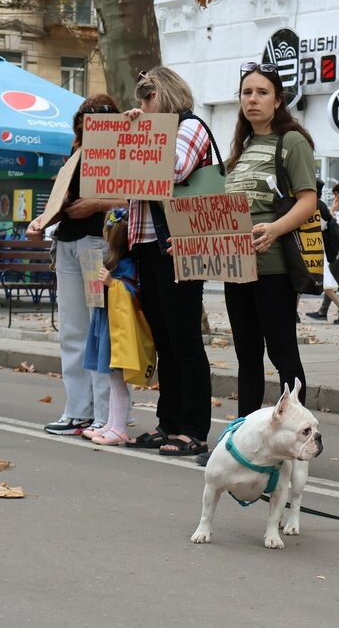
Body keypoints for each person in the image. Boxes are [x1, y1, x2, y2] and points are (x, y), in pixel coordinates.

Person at [122, 66, 213, 457]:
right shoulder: (154, 129)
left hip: (178, 245)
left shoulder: (190, 127)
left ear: (163, 95)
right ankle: (169, 423)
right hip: (148, 245)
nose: (142, 106)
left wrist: (142, 134)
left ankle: (194, 429)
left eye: (147, 98)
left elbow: (174, 169)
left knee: (184, 340)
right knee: (165, 341)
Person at [223, 61, 315, 420]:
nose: (252, 99)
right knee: (247, 356)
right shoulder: (241, 149)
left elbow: (308, 201)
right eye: (247, 92)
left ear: (278, 101)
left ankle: (299, 431)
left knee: (282, 353)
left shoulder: (291, 141)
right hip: (236, 268)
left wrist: (275, 229)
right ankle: (245, 435)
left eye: (262, 92)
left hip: (273, 267)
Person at [27, 94, 125, 435]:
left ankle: (105, 412)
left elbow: (137, 196)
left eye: (95, 121)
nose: (89, 128)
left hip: (96, 244)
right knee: (73, 329)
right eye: (84, 122)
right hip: (69, 242)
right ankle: (78, 409)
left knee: (98, 329)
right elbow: (63, 201)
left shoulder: (119, 152)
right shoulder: (77, 153)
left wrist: (97, 204)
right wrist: (42, 220)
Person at [82, 208, 145, 445]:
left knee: (118, 380)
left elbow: (130, 292)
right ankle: (111, 423)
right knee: (112, 378)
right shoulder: (114, 261)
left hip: (118, 328)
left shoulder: (126, 264)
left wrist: (111, 283)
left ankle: (119, 427)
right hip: (109, 323)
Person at [306, 180, 339, 324]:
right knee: (326, 280)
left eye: (336, 195)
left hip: (334, 251)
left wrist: (332, 210)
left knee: (327, 280)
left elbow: (331, 226)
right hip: (327, 249)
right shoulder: (322, 206)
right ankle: (327, 310)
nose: (334, 198)